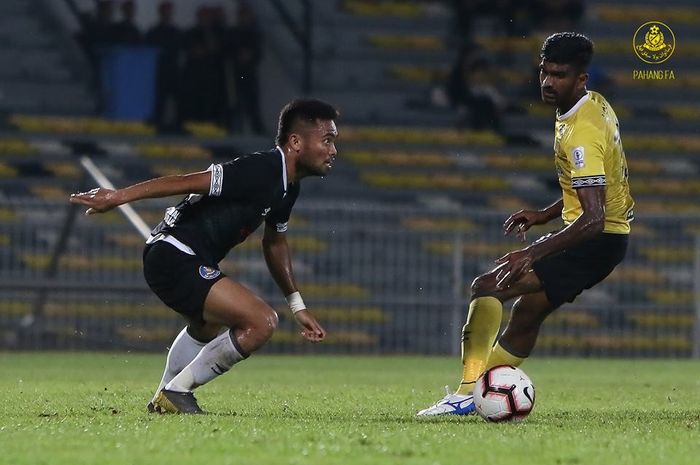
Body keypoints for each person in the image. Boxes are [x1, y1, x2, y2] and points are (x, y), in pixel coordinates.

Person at [70, 99, 339, 414]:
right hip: (175, 253)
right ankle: (177, 392)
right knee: (261, 322)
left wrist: (297, 305)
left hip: (177, 255)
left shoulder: (287, 187)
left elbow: (275, 242)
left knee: (206, 328)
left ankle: (162, 398)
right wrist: (117, 196)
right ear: (296, 142)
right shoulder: (262, 168)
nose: (334, 150)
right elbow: (187, 181)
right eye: (327, 140)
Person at [417, 32, 634, 416]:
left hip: (595, 240)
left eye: (560, 75)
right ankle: (483, 393)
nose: (549, 83)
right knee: (527, 314)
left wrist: (531, 252)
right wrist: (544, 214)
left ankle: (467, 393)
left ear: (581, 79)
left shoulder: (582, 130)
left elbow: (594, 218)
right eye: (545, 72)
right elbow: (593, 189)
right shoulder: (590, 107)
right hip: (603, 237)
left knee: (486, 286)